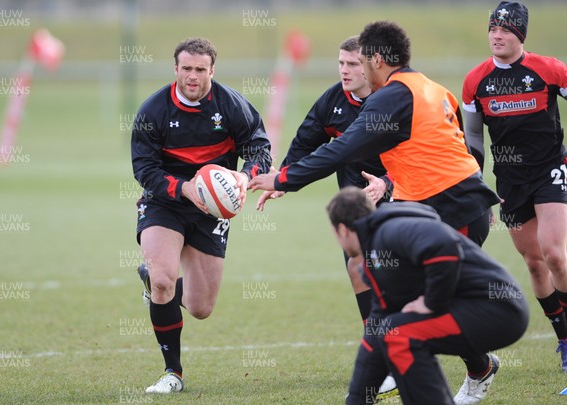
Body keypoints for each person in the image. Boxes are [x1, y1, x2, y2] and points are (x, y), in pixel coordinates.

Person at [249, 21, 502, 404]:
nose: (357, 69)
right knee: (390, 293)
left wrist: (282, 179)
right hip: (427, 210)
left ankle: (473, 368)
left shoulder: (391, 96)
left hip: (454, 209)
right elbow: (465, 147)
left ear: (377, 60)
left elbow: (344, 148)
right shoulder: (432, 88)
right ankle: (379, 384)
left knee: (430, 306)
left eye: (361, 61)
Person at [256, 35, 397, 399]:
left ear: (371, 65)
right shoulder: (332, 101)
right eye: (341, 63)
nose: (345, 71)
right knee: (358, 268)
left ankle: (463, 348)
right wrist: (282, 179)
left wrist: (386, 182)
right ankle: (384, 355)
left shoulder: (393, 100)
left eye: (353, 64)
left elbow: (421, 152)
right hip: (355, 206)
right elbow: (305, 143)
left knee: (398, 275)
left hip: (405, 195)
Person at [131, 37, 272, 394]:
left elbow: (259, 147)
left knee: (200, 307)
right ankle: (172, 373)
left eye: (200, 70)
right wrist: (184, 189)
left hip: (211, 209)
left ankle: (154, 282)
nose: (192, 76)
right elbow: (144, 169)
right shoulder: (153, 111)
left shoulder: (231, 105)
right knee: (165, 279)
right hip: (166, 202)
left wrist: (243, 175)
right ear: (175, 69)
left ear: (212, 70)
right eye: (186, 69)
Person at [326, 187, 529, 405]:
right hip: (494, 309)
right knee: (392, 331)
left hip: (501, 309)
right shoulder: (375, 252)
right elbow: (378, 328)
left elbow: (445, 246)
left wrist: (431, 302)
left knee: (400, 335)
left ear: (342, 230)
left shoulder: (391, 230)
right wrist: (356, 399)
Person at [462, 1, 567, 371]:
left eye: (506, 29)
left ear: (520, 34)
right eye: (493, 28)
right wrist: (479, 193)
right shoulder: (476, 81)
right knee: (536, 264)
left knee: (555, 253)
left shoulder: (550, 70)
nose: (497, 35)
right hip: (509, 181)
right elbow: (473, 142)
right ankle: (563, 338)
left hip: (551, 170)